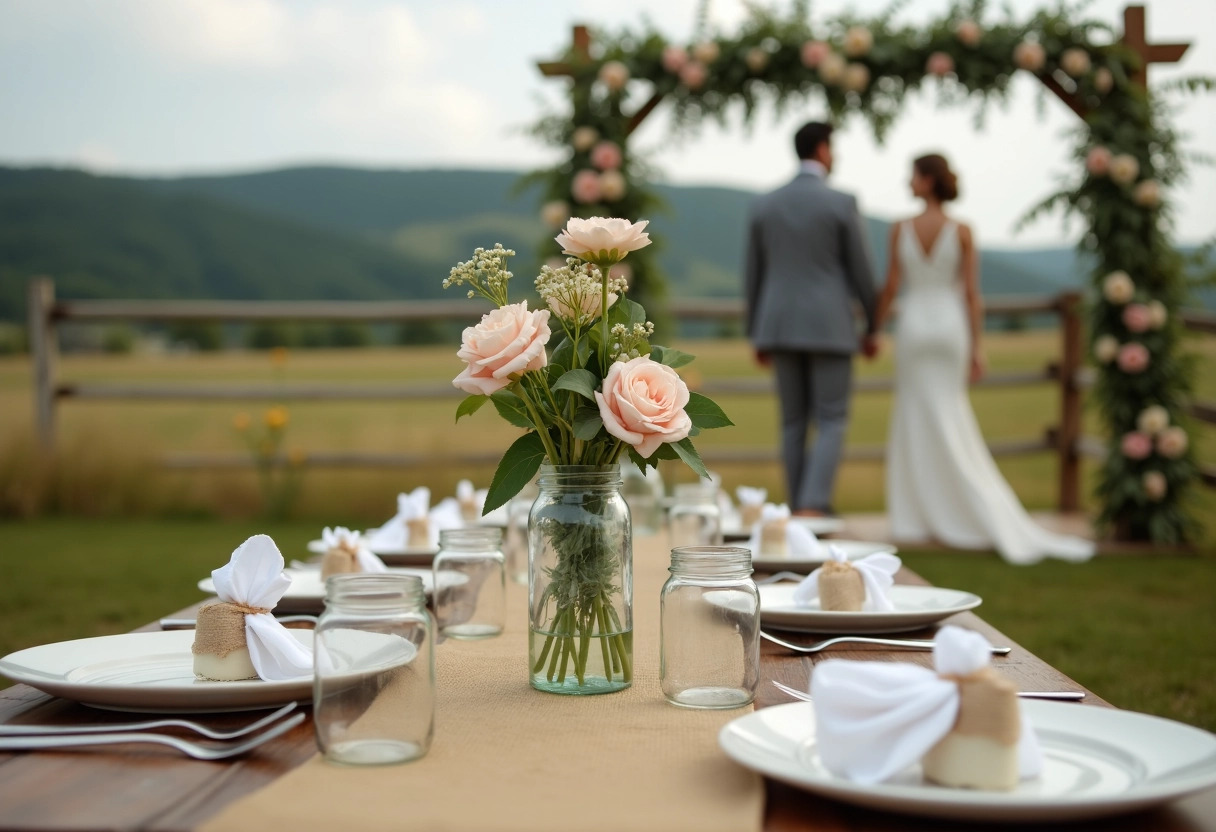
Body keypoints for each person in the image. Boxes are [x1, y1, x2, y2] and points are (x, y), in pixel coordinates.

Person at [875, 153, 1094, 564]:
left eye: (914, 175)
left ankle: (915, 515)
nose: (909, 181)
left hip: (914, 327)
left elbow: (890, 286)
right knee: (952, 416)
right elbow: (973, 295)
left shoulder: (899, 229)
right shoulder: (962, 231)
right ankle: (965, 507)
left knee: (914, 416)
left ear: (927, 180)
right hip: (950, 328)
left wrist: (873, 328)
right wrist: (978, 346)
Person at [744, 121, 878, 517]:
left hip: (779, 326)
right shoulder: (841, 202)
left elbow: (753, 275)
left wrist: (757, 333)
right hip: (830, 327)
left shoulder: (765, 204)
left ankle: (796, 506)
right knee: (832, 417)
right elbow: (862, 272)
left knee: (792, 422)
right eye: (832, 147)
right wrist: (872, 324)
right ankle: (813, 504)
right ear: (821, 149)